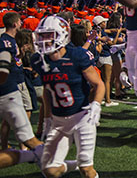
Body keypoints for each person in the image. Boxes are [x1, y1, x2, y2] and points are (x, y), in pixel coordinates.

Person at [31, 15, 105, 178]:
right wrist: (47, 119)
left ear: (62, 35)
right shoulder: (38, 60)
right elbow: (48, 91)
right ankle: (76, 165)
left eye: (49, 35)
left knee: (87, 170)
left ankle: (83, 165)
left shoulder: (77, 55)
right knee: (49, 171)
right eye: (42, 35)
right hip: (58, 120)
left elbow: (99, 84)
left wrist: (96, 105)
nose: (44, 40)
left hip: (81, 117)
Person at [0, 12, 43, 152]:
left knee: (13, 115)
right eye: (19, 21)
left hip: (18, 78)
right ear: (14, 24)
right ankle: (22, 145)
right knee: (24, 110)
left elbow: (15, 59)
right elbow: (6, 62)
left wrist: (22, 52)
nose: (21, 23)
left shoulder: (11, 39)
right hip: (13, 81)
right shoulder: (5, 40)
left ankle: (8, 145)